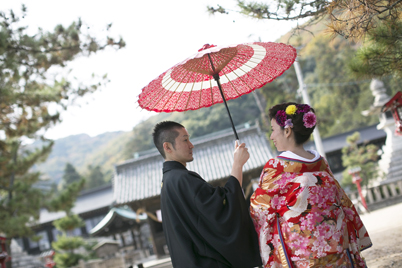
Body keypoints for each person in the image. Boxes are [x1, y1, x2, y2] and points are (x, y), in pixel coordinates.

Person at [250, 102, 372, 268]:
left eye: (273, 130)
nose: (271, 137)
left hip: (302, 256)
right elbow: (343, 203)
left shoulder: (276, 167)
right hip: (338, 249)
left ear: (287, 131)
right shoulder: (321, 163)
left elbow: (259, 210)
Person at [153, 121, 262, 268]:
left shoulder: (169, 181)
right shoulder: (183, 179)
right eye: (185, 140)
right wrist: (237, 164)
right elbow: (222, 209)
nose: (191, 145)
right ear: (167, 147)